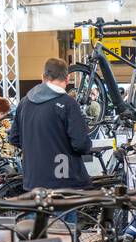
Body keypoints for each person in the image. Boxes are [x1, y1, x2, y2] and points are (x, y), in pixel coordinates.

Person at [9, 58, 92, 191]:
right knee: (65, 211)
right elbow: (81, 144)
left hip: (33, 179)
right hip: (63, 180)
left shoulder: (24, 102)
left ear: (43, 77)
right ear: (67, 78)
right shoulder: (68, 104)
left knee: (38, 211)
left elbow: (14, 138)